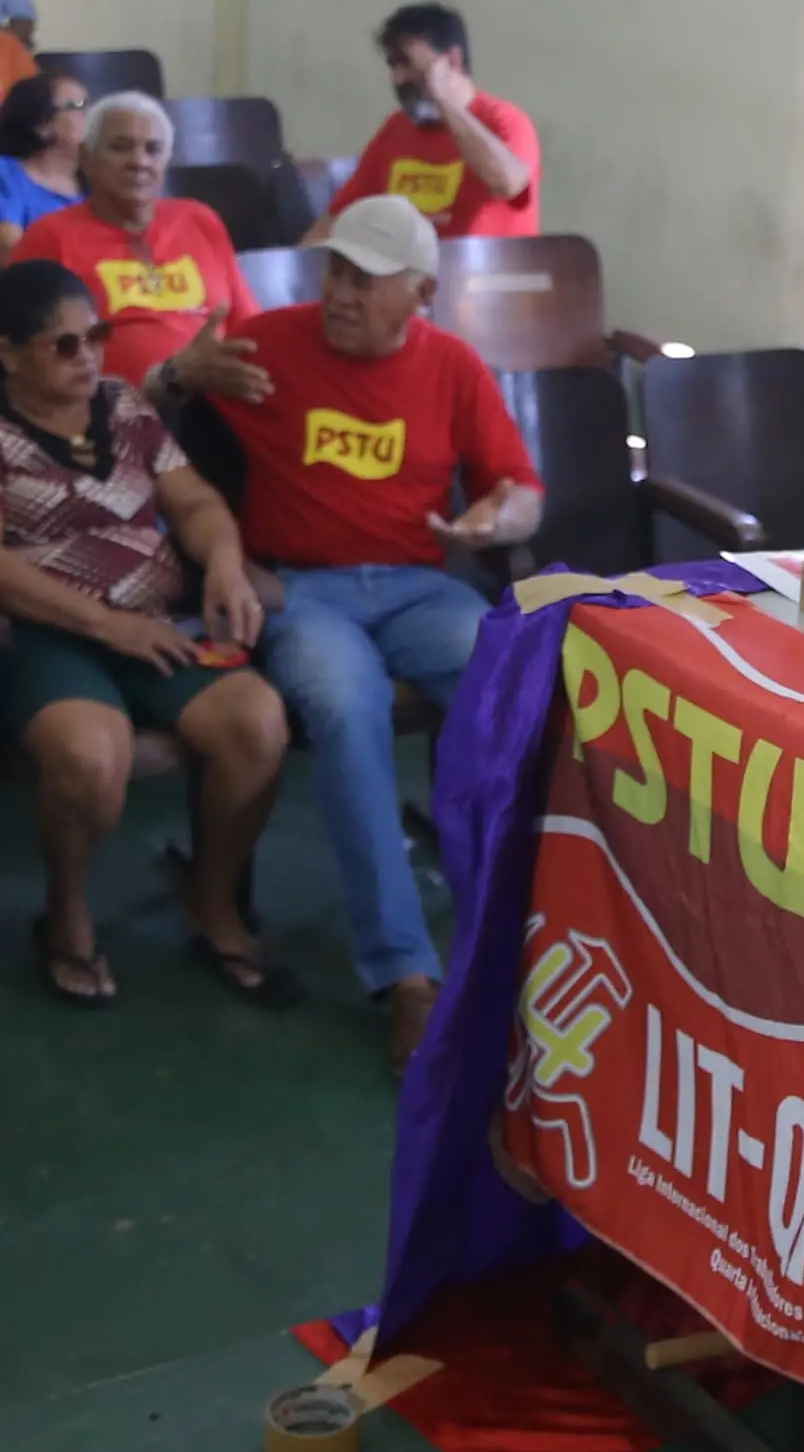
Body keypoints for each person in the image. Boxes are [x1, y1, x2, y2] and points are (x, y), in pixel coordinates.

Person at [178, 198, 540, 1068]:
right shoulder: (267, 346)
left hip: (421, 586)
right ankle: (405, 975)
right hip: (302, 589)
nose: (340, 293)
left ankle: (528, 929)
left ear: (419, 291)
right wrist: (181, 372)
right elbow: (149, 436)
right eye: (335, 273)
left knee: (511, 683)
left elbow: (520, 487)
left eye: (365, 281)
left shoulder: (451, 366)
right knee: (347, 703)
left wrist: (495, 521)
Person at [0, 261, 295, 1008]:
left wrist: (224, 561)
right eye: (63, 345)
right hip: (41, 636)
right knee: (94, 752)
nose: (88, 355)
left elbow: (192, 501)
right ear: (7, 350)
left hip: (153, 624)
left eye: (95, 336)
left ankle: (213, 898)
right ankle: (65, 911)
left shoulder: (125, 407)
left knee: (257, 722)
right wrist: (106, 623)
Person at [4, 96, 248, 387]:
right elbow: (29, 352)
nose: (139, 162)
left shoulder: (199, 219)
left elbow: (246, 322)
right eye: (120, 147)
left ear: (166, 162)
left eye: (153, 150)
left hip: (218, 399)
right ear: (86, 158)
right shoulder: (49, 238)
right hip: (115, 411)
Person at [321, 0, 538, 242]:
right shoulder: (396, 128)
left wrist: (444, 102)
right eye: (392, 66)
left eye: (406, 63)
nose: (397, 78)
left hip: (481, 276)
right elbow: (342, 217)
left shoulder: (505, 120)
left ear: (452, 61)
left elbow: (509, 183)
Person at [0, 71, 92, 264]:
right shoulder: (0, 174)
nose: (94, 115)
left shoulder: (99, 181)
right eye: (79, 106)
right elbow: (11, 252)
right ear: (43, 125)